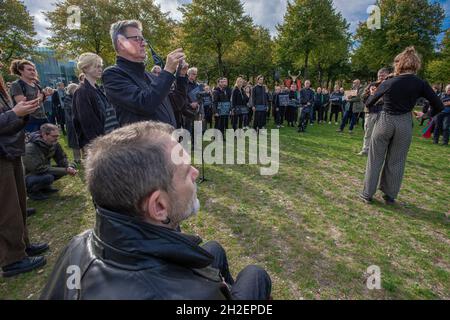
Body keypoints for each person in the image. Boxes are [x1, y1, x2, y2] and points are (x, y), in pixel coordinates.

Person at [40, 121, 272, 300]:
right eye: (185, 172)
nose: (195, 173)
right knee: (255, 274)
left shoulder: (78, 244)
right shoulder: (193, 296)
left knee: (214, 250)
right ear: (159, 207)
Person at [360, 47, 443, 204]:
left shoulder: (389, 82)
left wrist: (373, 95)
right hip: (404, 123)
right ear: (415, 65)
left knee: (375, 158)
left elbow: (369, 102)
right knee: (397, 160)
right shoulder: (421, 84)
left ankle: (367, 193)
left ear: (399, 64)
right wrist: (425, 115)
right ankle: (389, 195)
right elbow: (438, 106)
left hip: (385, 120)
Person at [1, 57, 49, 277]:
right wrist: (14, 114)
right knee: (7, 208)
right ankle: (12, 259)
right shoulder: (14, 85)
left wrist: (23, 112)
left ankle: (22, 245)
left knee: (19, 203)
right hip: (3, 153)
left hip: (11, 149)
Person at [102, 20, 188, 128]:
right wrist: (168, 70)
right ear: (121, 44)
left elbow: (176, 104)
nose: (144, 43)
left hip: (167, 142)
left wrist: (181, 76)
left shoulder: (150, 76)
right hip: (142, 144)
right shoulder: (113, 74)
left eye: (143, 39)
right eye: (137, 39)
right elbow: (145, 104)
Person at [72, 53, 119, 150]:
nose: (100, 69)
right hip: (98, 145)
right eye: (96, 66)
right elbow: (88, 124)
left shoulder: (97, 89)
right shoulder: (82, 92)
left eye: (100, 66)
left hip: (108, 139)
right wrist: (99, 146)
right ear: (85, 69)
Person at [23, 124, 78, 201]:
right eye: (54, 136)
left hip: (43, 170)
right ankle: (32, 192)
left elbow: (61, 158)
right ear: (44, 135)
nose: (57, 139)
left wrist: (68, 167)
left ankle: (44, 188)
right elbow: (37, 169)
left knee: (72, 165)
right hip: (28, 176)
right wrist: (65, 170)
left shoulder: (53, 143)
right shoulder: (30, 147)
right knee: (48, 177)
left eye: (57, 136)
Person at [9, 59, 53, 133]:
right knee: (33, 143)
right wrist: (40, 98)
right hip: (29, 122)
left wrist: (46, 94)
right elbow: (23, 107)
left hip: (43, 118)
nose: (32, 72)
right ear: (21, 70)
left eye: (33, 69)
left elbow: (41, 101)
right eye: (29, 69)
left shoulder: (36, 85)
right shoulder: (16, 85)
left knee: (50, 142)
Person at [359, 68, 390, 156]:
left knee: (381, 134)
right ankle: (366, 149)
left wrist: (381, 99)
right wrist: (371, 96)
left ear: (387, 76)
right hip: (370, 112)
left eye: (383, 75)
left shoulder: (390, 85)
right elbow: (363, 97)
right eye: (379, 75)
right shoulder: (372, 85)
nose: (381, 77)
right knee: (368, 131)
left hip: (383, 113)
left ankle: (377, 152)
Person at [63, 83, 81, 163]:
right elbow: (71, 110)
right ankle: (77, 159)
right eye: (75, 89)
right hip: (72, 123)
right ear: (71, 90)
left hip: (79, 122)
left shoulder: (78, 97)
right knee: (75, 142)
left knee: (82, 140)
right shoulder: (67, 99)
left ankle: (86, 157)